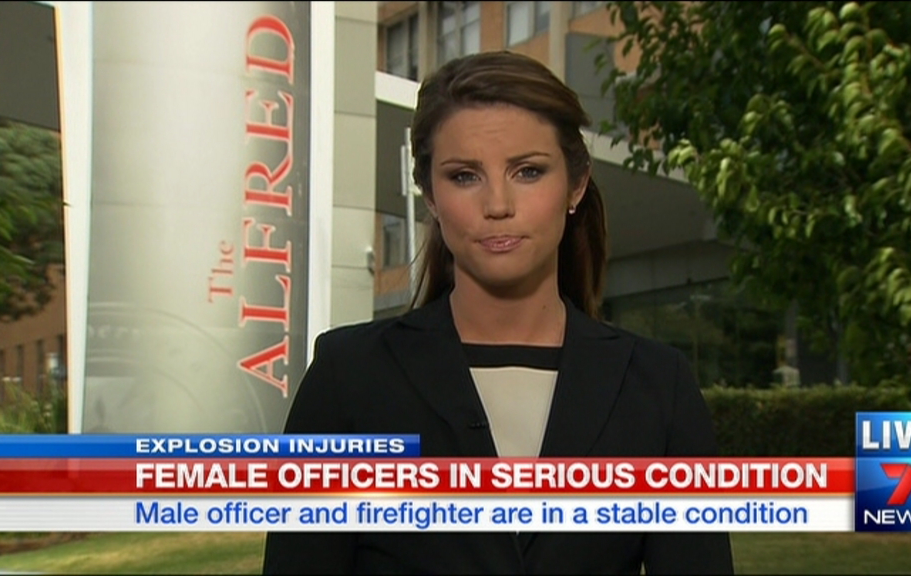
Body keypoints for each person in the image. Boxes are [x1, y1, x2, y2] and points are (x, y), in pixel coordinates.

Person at [262, 50, 734, 575]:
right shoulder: (348, 377)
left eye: (528, 171)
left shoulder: (657, 386)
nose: (498, 204)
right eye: (465, 176)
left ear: (576, 184)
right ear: (431, 195)